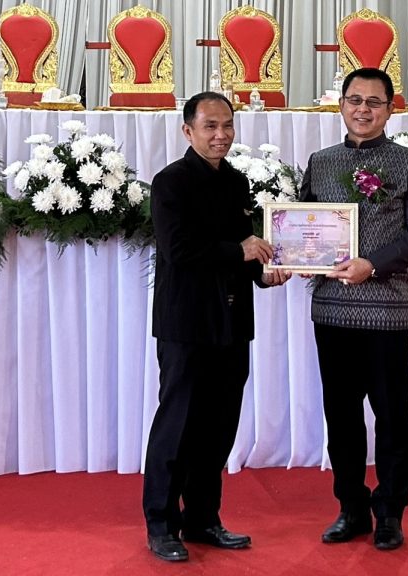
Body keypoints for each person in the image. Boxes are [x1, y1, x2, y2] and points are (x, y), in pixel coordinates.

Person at [143, 91, 291, 562]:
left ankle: (203, 518)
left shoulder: (236, 180)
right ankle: (161, 525)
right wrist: (240, 251)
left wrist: (265, 273)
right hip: (186, 321)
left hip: (231, 321)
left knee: (219, 426)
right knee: (178, 424)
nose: (221, 135)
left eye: (227, 125)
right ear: (188, 131)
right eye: (210, 126)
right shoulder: (170, 182)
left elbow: (243, 246)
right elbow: (178, 250)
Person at [299, 68, 408, 551]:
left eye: (374, 102)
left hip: (385, 311)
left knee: (392, 415)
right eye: (354, 100)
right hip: (331, 310)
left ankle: (391, 512)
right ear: (340, 105)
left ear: (390, 109)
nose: (363, 109)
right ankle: (351, 508)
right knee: (341, 416)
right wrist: (289, 257)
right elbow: (304, 226)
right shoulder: (320, 162)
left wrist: (372, 265)